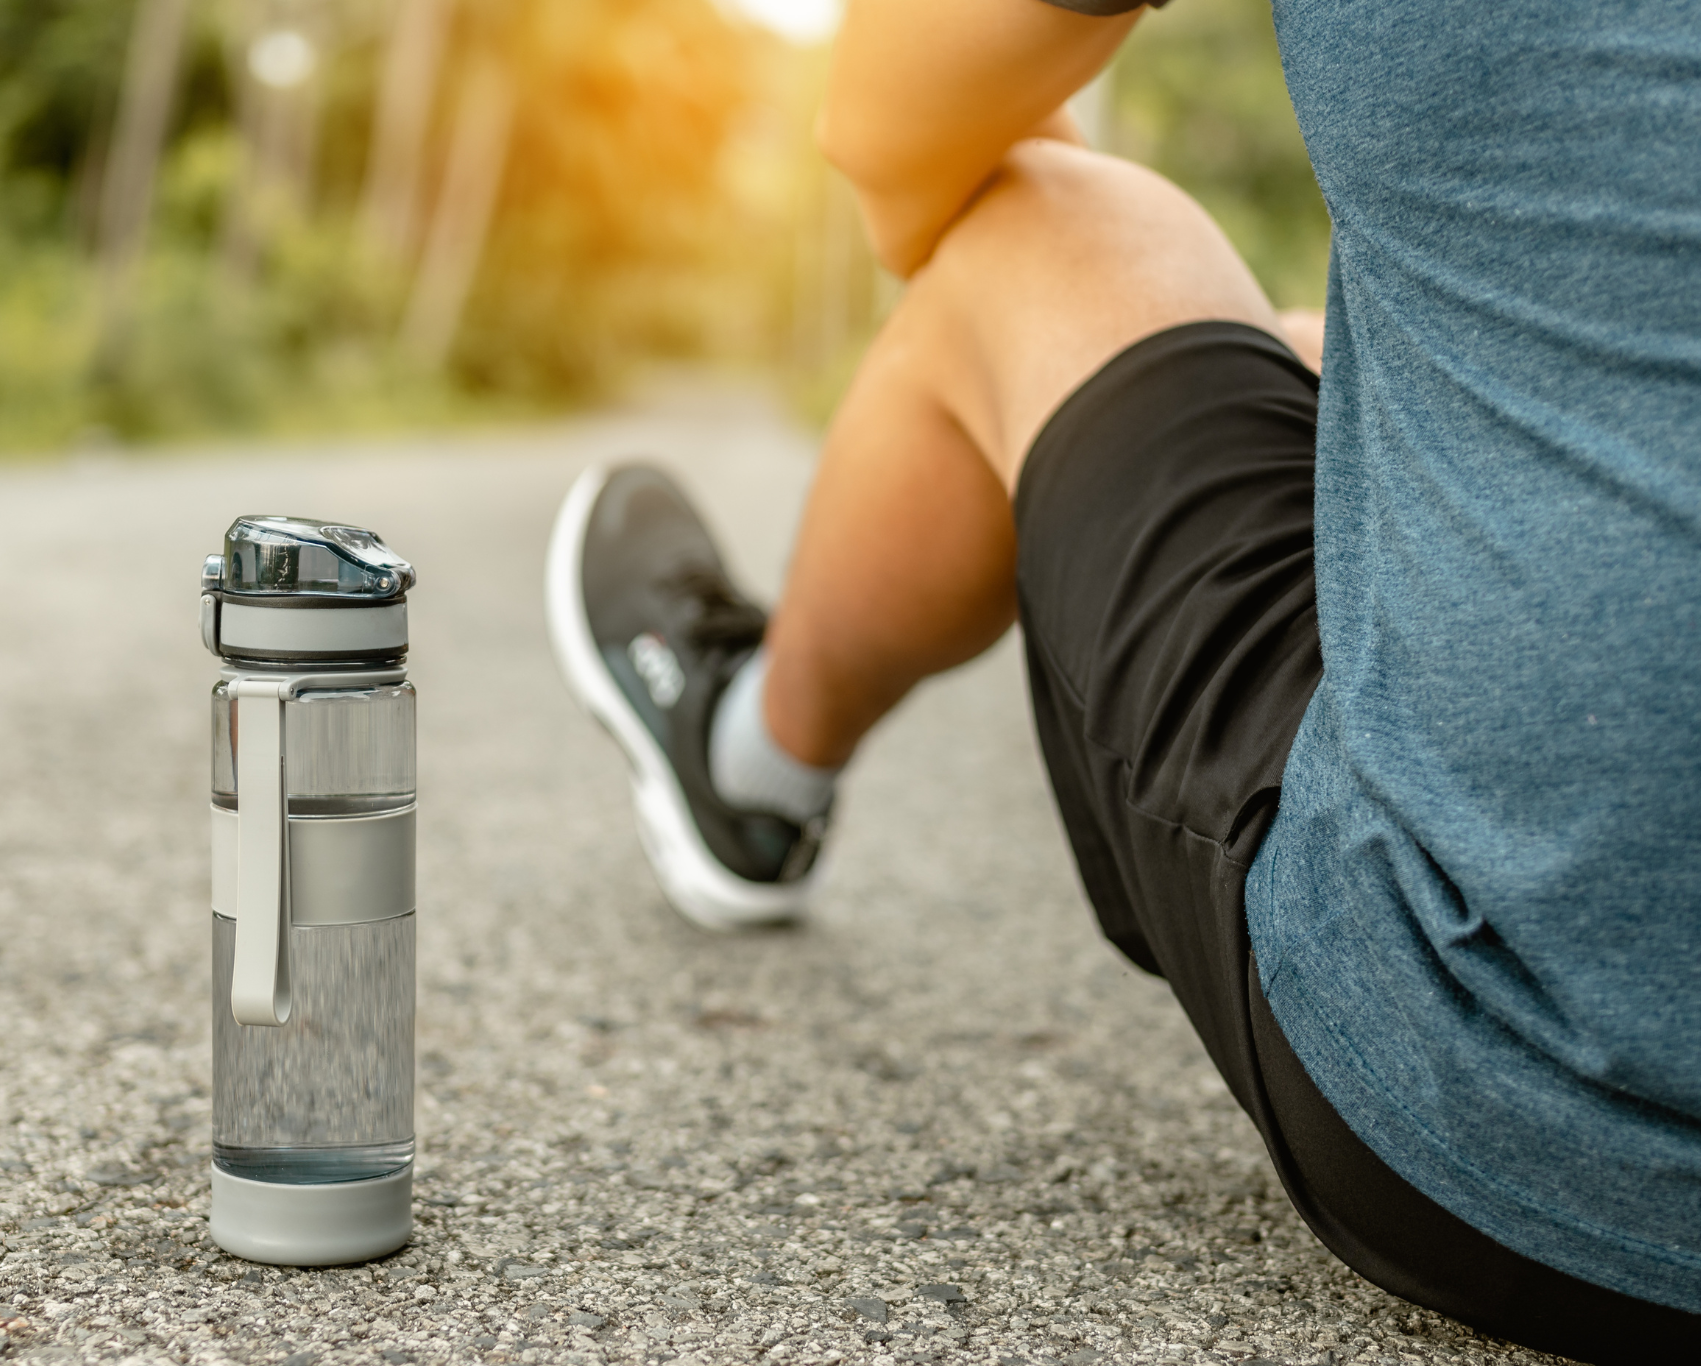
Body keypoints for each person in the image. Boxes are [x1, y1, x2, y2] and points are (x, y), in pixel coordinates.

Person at [545, 0, 1701, 1359]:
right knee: (1333, 355)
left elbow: (889, 141)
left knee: (1055, 228)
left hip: (1554, 1131)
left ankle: (749, 755)